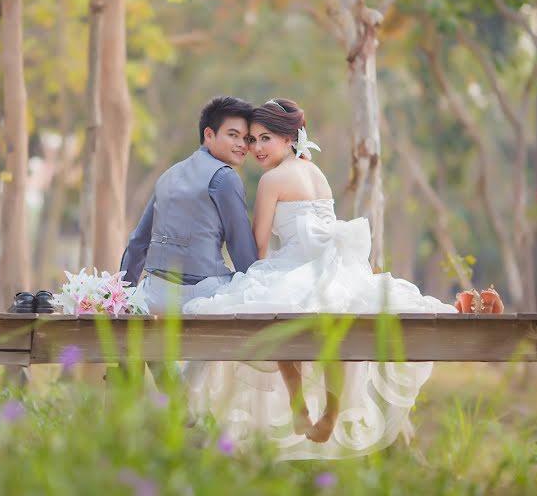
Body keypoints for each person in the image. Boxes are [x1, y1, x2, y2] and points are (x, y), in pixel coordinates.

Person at [182, 98, 502, 460]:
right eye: (253, 140)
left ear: (290, 138)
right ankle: (329, 411)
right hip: (336, 267)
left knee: (272, 307)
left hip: (296, 266)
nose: (255, 148)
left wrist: (247, 274)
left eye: (264, 138)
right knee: (329, 326)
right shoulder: (314, 171)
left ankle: (299, 402)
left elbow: (258, 245)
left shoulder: (272, 180)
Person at [120, 96, 258, 315]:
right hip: (201, 295)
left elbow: (139, 241)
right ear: (209, 134)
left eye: (247, 138)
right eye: (233, 135)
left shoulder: (169, 174)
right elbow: (240, 247)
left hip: (154, 295)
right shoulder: (225, 177)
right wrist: (257, 293)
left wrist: (121, 298)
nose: (242, 145)